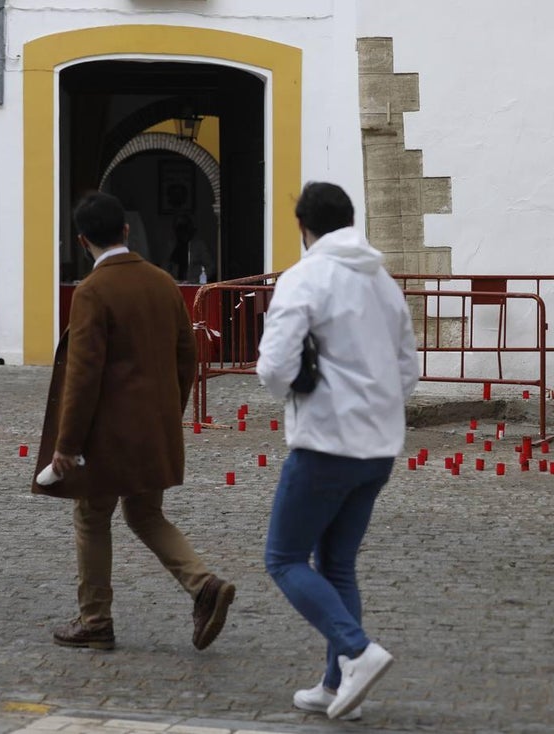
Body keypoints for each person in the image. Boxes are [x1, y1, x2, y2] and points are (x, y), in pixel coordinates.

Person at [32, 191, 235, 652]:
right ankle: (202, 584)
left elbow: (83, 376)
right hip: (154, 427)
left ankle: (95, 620)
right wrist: (169, 413)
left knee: (90, 514)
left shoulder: (92, 292)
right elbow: (188, 359)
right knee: (145, 512)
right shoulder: (164, 282)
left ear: (83, 241)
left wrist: (67, 444)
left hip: (106, 437)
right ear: (126, 231)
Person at [257, 182, 420, 720]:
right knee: (337, 564)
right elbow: (406, 371)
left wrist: (301, 393)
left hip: (326, 441)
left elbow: (274, 366)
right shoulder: (383, 281)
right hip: (379, 447)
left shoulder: (305, 277)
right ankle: (334, 685)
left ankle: (357, 650)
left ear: (304, 227)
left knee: (283, 558)